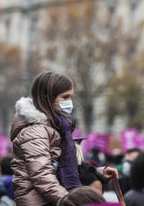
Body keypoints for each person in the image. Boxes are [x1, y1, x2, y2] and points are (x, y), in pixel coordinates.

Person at [10, 71, 118, 205]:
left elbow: (62, 166)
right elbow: (42, 176)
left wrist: (98, 172)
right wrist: (70, 201)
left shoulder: (57, 127)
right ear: (47, 98)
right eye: (65, 97)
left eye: (71, 97)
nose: (69, 102)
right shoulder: (35, 131)